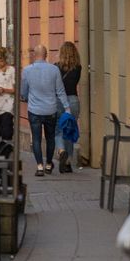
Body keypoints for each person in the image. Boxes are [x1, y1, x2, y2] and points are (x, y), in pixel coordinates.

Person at [21, 44, 70, 177]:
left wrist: (25, 98)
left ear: (34, 55)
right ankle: (49, 163)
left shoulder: (26, 70)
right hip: (50, 110)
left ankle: (39, 167)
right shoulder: (54, 70)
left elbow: (23, 92)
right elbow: (60, 91)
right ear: (46, 54)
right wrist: (67, 108)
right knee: (50, 138)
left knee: (36, 139)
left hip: (34, 110)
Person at [55, 41, 83, 173]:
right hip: (73, 100)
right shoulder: (78, 68)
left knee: (58, 129)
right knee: (69, 131)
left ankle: (61, 152)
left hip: (59, 101)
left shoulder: (56, 67)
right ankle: (67, 162)